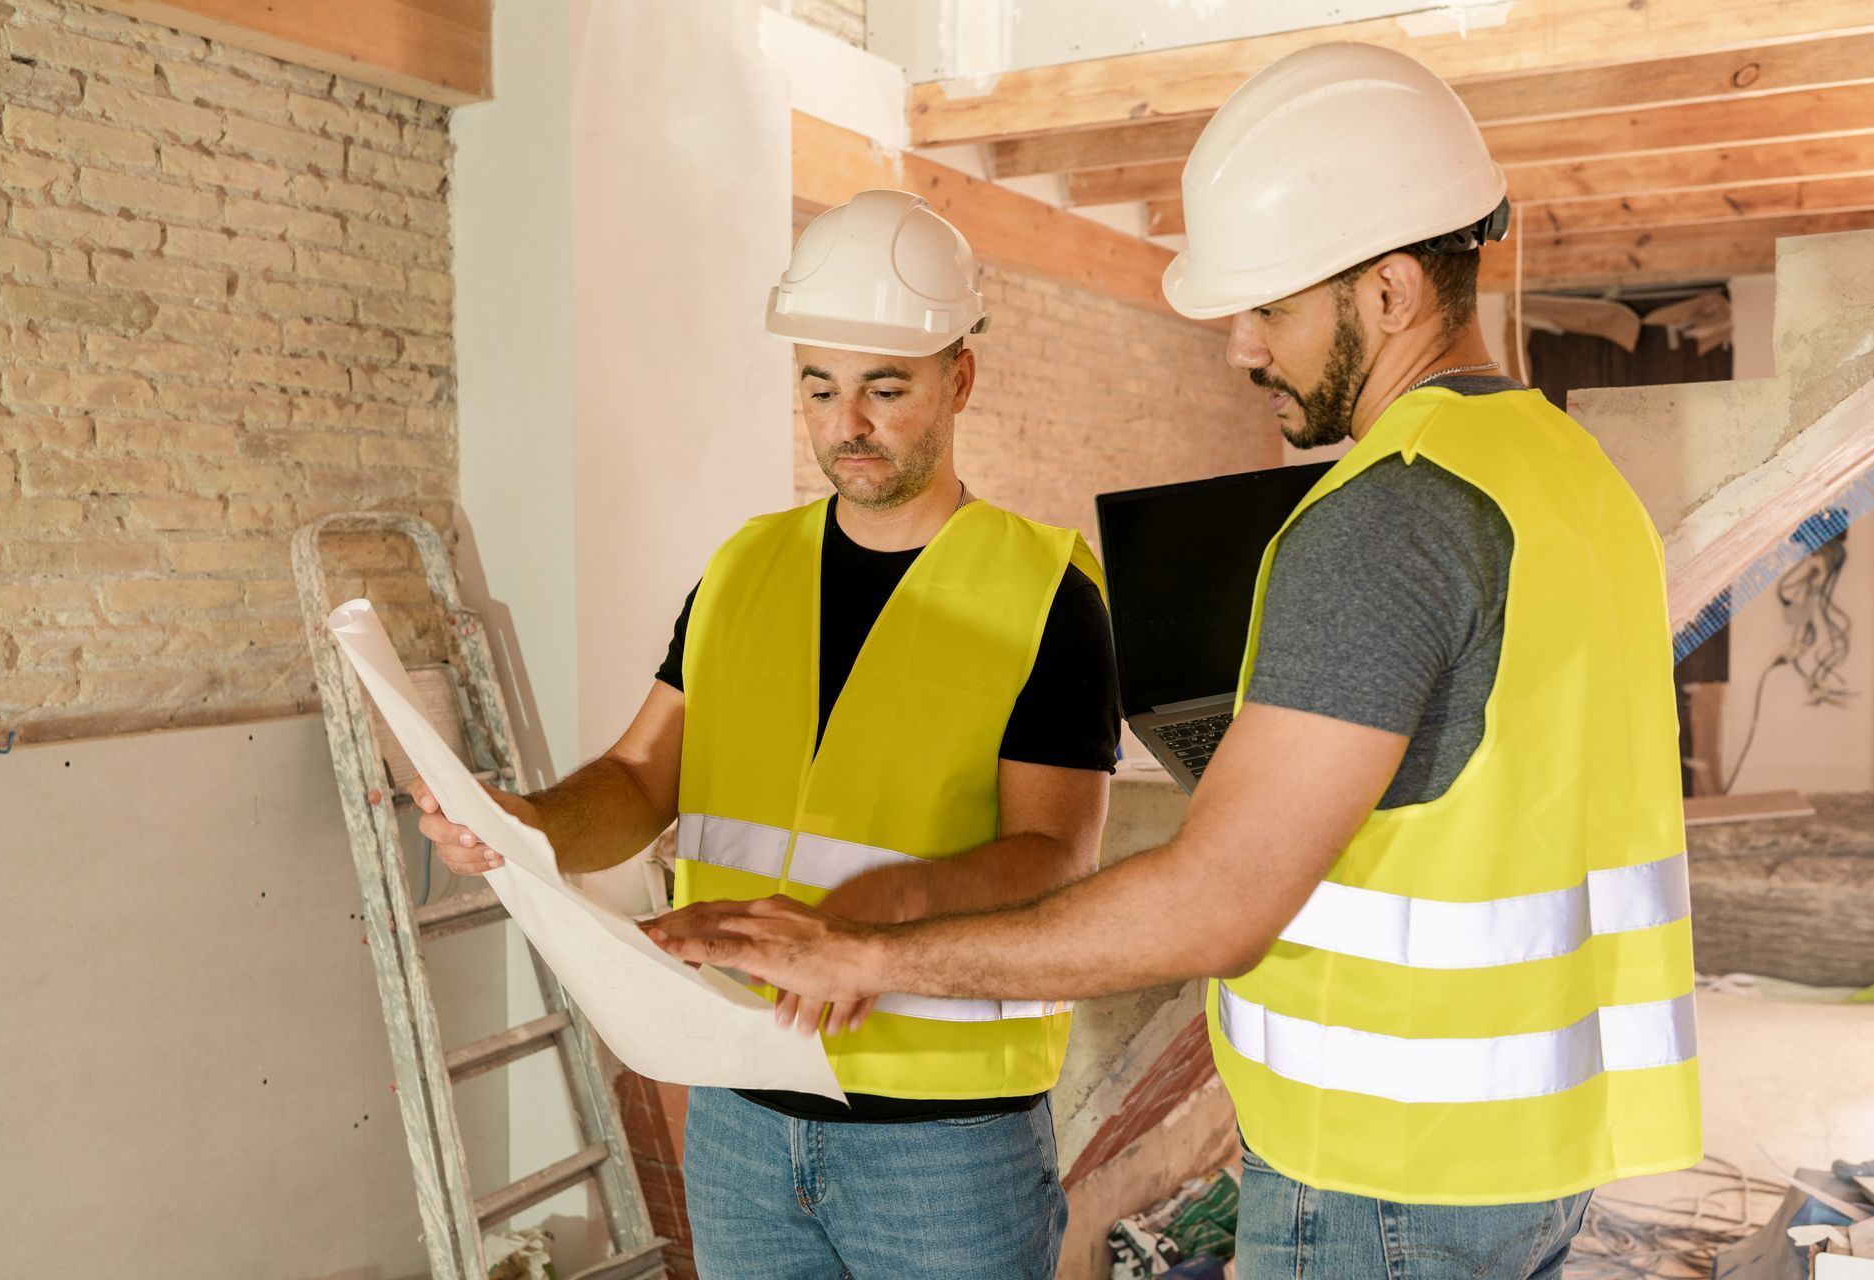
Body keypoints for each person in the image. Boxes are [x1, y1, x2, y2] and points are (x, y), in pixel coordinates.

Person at [649, 45, 1702, 1280]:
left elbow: (1216, 904)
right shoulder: (1568, 479)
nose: (1243, 348)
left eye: (1271, 309)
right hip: (1529, 1159)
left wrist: (872, 955)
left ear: (1392, 291)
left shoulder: (1387, 513)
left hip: (1385, 1174)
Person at [414, 188, 1121, 1280]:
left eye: (886, 388)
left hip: (944, 1138)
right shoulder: (746, 565)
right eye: (820, 386)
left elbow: (1053, 854)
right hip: (742, 1108)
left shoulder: (1045, 591)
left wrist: (875, 906)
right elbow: (646, 772)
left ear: (959, 379)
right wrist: (528, 820)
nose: (849, 423)